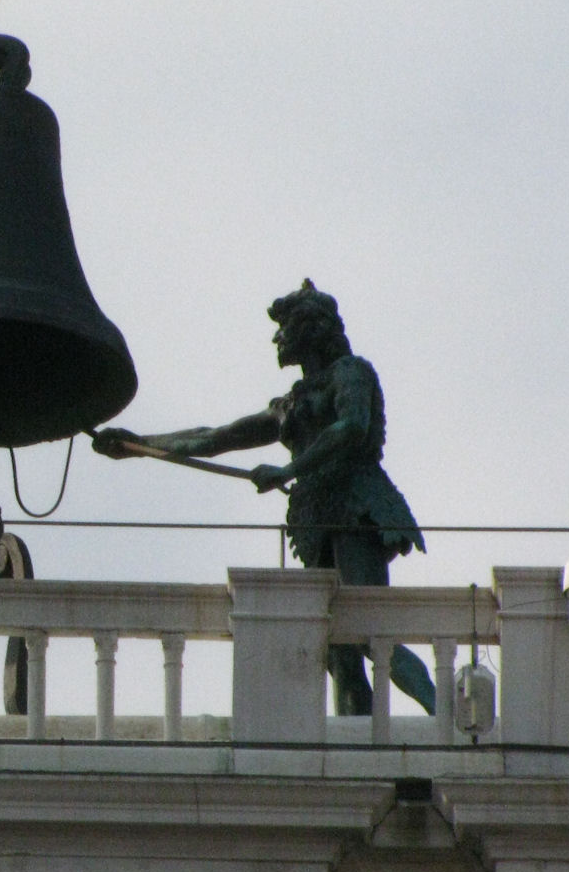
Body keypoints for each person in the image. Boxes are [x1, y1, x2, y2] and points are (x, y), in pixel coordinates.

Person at [92, 279, 433, 716]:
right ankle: (357, 742)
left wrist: (289, 470)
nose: (278, 337)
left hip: (355, 506)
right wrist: (141, 444)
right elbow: (215, 437)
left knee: (371, 634)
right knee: (337, 651)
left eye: (286, 326)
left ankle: (445, 712)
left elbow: (351, 427)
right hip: (318, 521)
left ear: (312, 328)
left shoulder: (351, 372)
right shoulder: (289, 404)